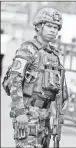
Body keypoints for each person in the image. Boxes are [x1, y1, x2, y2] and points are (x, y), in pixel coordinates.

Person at [2, 8, 68, 148]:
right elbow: (15, 80)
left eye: (56, 27)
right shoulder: (28, 49)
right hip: (28, 112)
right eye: (49, 26)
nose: (53, 30)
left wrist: (56, 117)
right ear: (39, 26)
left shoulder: (53, 55)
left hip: (45, 117)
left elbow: (58, 91)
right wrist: (20, 112)